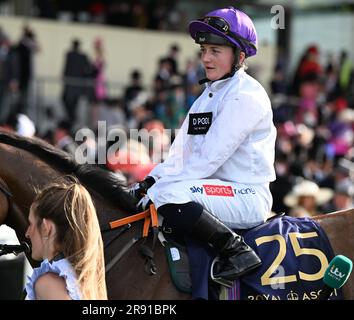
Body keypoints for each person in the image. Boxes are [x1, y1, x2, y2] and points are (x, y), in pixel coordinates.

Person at [130, 7, 276, 282]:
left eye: (215, 51)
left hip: (246, 196)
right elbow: (179, 156)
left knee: (168, 195)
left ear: (240, 56)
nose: (206, 59)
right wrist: (147, 181)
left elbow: (207, 159)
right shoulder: (205, 98)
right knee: (149, 192)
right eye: (204, 50)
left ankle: (236, 250)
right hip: (213, 190)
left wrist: (159, 188)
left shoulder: (247, 96)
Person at [25, 176, 107, 300]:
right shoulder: (81, 281)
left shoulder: (48, 284)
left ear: (47, 228)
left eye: (30, 224)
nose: (27, 233)